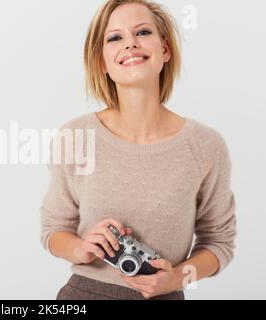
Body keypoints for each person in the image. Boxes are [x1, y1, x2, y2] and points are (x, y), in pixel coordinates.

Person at [40, 0, 237, 300]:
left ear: (165, 50)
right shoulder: (76, 136)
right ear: (102, 63)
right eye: (115, 38)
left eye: (143, 32)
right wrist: (80, 248)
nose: (130, 44)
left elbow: (219, 242)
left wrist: (176, 279)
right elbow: (53, 230)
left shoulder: (206, 145)